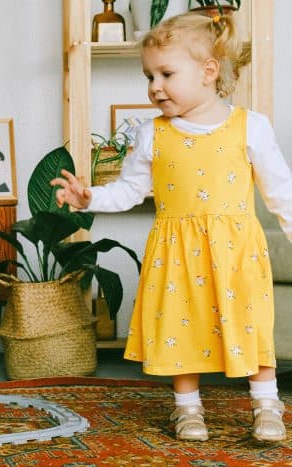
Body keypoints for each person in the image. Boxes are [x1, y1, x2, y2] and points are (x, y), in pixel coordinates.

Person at [51, 13, 291, 442]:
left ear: (208, 71)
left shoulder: (250, 126)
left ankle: (266, 404)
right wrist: (90, 198)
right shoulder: (152, 135)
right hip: (176, 251)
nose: (154, 86)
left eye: (166, 73)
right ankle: (187, 408)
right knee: (182, 326)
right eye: (149, 76)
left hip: (236, 251)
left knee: (249, 323)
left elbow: (281, 193)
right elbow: (128, 191)